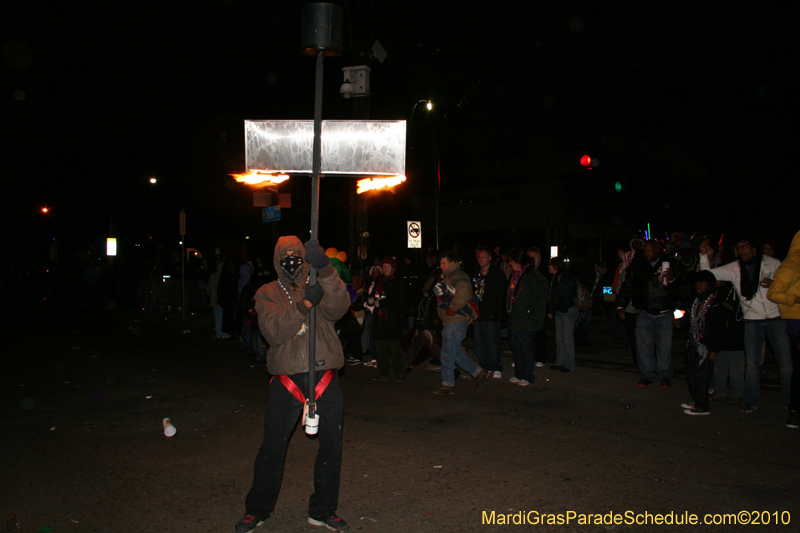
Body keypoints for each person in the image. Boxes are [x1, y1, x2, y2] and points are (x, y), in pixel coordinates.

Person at [235, 237, 351, 533]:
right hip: (287, 378)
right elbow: (273, 331)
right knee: (272, 448)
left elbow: (339, 307)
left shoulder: (318, 281)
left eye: (297, 256)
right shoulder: (267, 293)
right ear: (276, 260)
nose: (291, 261)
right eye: (285, 257)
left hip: (324, 374)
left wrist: (325, 270)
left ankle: (323, 509)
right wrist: (304, 304)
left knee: (331, 448)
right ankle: (258, 509)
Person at [699, 236, 791, 414]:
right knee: (751, 364)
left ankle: (790, 401)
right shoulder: (734, 267)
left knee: (786, 363)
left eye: (745, 247)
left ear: (754, 248)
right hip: (752, 321)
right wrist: (704, 255)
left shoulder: (773, 263)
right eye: (739, 248)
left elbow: (790, 284)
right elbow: (708, 276)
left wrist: (776, 284)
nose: (742, 251)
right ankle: (751, 401)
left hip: (776, 318)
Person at [616, 240, 679, 388]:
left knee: (664, 346)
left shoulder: (670, 264)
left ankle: (664, 375)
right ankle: (646, 375)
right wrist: (620, 306)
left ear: (657, 250)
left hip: (664, 311)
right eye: (645, 252)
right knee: (644, 346)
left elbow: (681, 286)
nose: (647, 254)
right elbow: (628, 287)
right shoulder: (638, 266)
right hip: (644, 311)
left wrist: (672, 278)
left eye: (650, 251)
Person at [432, 250, 488, 395]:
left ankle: (448, 383)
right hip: (453, 320)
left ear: (452, 263)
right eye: (440, 263)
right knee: (453, 351)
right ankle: (478, 372)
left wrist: (452, 307)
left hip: (456, 319)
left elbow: (464, 291)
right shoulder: (452, 275)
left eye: (443, 263)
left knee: (447, 352)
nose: (441, 266)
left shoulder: (456, 275)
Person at [677, 270, 723, 415]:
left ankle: (702, 406)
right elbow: (689, 320)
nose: (699, 286)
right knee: (691, 374)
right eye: (697, 283)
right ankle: (696, 400)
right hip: (693, 344)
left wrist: (714, 349)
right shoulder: (694, 301)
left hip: (705, 346)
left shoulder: (714, 304)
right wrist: (680, 322)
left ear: (709, 285)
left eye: (702, 283)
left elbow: (717, 329)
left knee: (702, 377)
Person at [767, 229, 800, 428]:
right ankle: (794, 410)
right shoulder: (791, 266)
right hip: (797, 323)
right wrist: (796, 300)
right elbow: (774, 293)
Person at [506, 249, 549, 386]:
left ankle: (527, 375)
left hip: (526, 319)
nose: (510, 266)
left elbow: (539, 300)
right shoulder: (516, 275)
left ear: (517, 262)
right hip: (515, 317)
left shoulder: (532, 275)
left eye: (511, 263)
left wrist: (530, 315)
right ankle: (519, 373)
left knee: (525, 347)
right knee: (516, 346)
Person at [471, 246, 508, 379]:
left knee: (492, 341)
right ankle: (484, 364)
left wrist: (498, 313)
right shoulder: (476, 272)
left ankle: (495, 366)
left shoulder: (497, 274)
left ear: (490, 257)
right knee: (479, 341)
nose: (481, 260)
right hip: (478, 313)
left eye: (483, 257)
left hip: (491, 313)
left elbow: (501, 295)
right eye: (479, 257)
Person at [369, 256, 406, 382]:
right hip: (380, 320)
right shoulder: (379, 280)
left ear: (393, 268)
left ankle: (400, 372)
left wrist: (382, 303)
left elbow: (399, 300)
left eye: (388, 266)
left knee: (394, 348)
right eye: (384, 266)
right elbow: (374, 294)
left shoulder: (398, 282)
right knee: (381, 348)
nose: (385, 268)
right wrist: (371, 299)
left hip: (392, 319)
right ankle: (383, 372)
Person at [548, 257, 579, 373]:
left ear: (555, 266)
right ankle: (560, 362)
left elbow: (567, 294)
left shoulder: (564, 277)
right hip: (561, 310)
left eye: (550, 264)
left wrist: (562, 307)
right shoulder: (557, 276)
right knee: (560, 338)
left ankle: (570, 364)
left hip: (566, 310)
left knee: (567, 339)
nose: (548, 266)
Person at [575, 261, 609, 345]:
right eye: (603, 271)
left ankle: (583, 338)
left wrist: (598, 303)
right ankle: (576, 338)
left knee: (586, 320)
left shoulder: (599, 276)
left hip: (588, 300)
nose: (603, 273)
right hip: (582, 300)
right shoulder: (588, 272)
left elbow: (597, 290)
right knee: (578, 319)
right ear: (598, 268)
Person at [207, 261, 228, 338]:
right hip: (221, 299)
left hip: (214, 299)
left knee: (217, 317)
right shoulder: (225, 276)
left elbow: (209, 288)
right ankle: (223, 333)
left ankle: (218, 332)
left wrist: (209, 293)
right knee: (223, 317)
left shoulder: (213, 276)